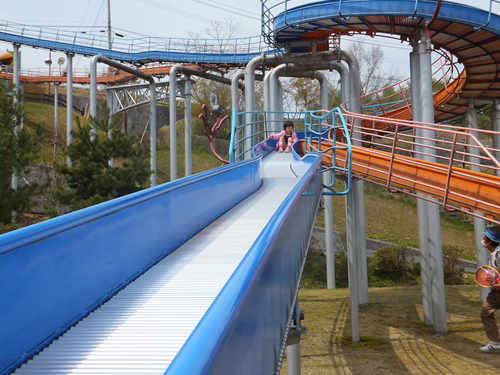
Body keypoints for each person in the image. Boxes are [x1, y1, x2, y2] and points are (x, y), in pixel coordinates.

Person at [480, 225, 500, 352]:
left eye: (484, 238)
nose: (482, 240)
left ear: (490, 241)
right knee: (485, 313)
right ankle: (495, 341)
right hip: (495, 291)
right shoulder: (493, 254)